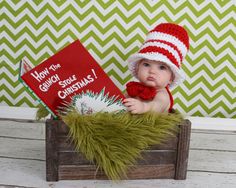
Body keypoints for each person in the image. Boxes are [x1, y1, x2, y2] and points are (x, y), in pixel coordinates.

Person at [123, 23, 189, 114]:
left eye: (162, 67)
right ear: (138, 68)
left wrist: (143, 107)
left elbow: (157, 105)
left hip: (152, 127)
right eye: (146, 64)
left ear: (171, 78)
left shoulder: (162, 94)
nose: (152, 71)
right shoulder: (133, 89)